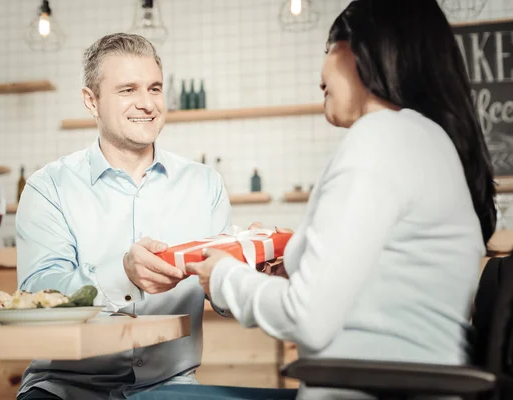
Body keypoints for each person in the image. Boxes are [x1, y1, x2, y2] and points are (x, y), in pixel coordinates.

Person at [130, 0, 497, 399]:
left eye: (327, 49)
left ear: (362, 51)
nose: (319, 74)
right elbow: (383, 286)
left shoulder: (380, 138)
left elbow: (307, 317)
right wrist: (290, 257)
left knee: (150, 396)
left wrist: (221, 276)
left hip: (361, 389)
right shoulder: (426, 139)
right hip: (402, 382)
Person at [15, 33, 231, 400]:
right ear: (91, 101)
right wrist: (121, 275)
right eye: (128, 90)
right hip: (66, 387)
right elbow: (38, 293)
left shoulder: (205, 184)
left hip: (171, 387)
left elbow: (224, 301)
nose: (147, 103)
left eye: (154, 88)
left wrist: (252, 271)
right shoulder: (48, 187)